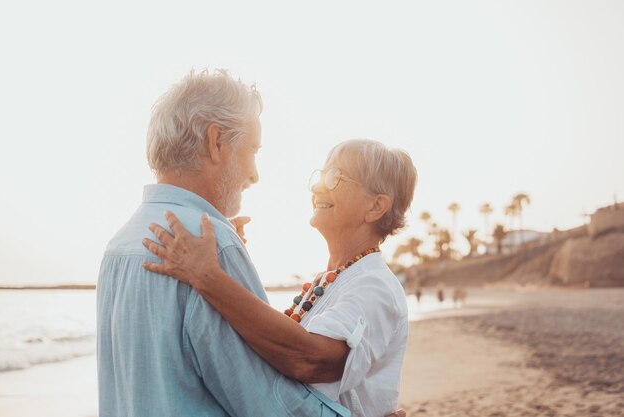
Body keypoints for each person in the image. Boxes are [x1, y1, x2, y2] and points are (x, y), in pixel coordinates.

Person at [97, 69, 353, 417]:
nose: (254, 174)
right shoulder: (209, 244)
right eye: (252, 150)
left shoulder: (119, 244)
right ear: (216, 142)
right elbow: (266, 401)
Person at [143, 139, 418, 417]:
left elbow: (310, 360)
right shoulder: (335, 279)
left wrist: (208, 277)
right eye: (321, 175)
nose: (317, 186)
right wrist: (231, 265)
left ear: (375, 207)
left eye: (335, 177)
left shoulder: (375, 285)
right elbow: (276, 346)